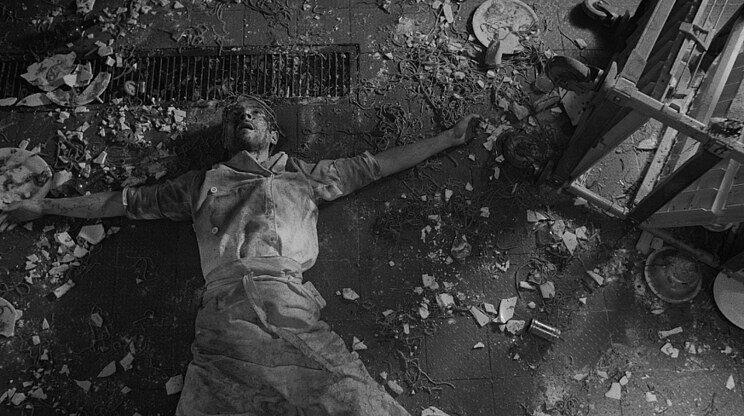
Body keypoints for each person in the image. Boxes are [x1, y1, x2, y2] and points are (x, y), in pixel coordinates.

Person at [1, 95, 479, 415]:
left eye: (254, 112)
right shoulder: (200, 184)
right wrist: (42, 207)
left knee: (351, 397)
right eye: (235, 116)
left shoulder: (303, 176)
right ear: (230, 138)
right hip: (225, 314)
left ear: (272, 133)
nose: (244, 115)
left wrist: (447, 138)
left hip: (290, 306)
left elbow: (374, 166)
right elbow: (119, 202)